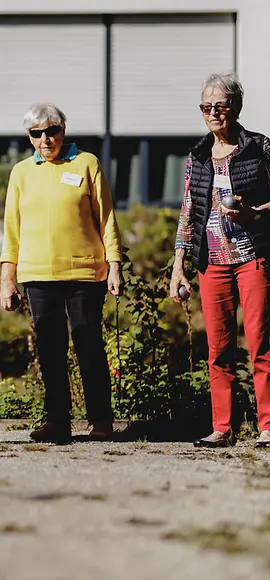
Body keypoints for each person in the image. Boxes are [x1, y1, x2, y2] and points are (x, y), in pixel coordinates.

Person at [0, 103, 123, 445]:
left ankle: (100, 420)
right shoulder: (21, 173)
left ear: (62, 131)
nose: (45, 139)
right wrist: (7, 278)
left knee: (87, 342)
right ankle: (57, 422)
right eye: (36, 134)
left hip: (85, 270)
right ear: (29, 136)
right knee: (50, 349)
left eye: (51, 131)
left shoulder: (86, 163)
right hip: (37, 274)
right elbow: (12, 229)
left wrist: (114, 264)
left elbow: (106, 218)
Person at [170, 72, 270, 448]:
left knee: (261, 342)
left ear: (236, 108)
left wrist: (254, 213)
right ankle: (222, 427)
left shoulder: (260, 147)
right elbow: (188, 211)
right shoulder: (197, 156)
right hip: (211, 261)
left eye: (221, 106)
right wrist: (179, 265)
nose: (213, 112)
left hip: (254, 257)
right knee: (218, 347)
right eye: (206, 107)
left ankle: (267, 426)